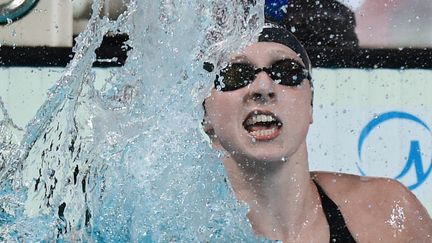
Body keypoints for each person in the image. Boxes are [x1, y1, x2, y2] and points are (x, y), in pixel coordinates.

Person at [202, 23, 432, 242]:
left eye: (286, 72)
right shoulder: (181, 227)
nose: (263, 87)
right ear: (205, 117)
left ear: (310, 105)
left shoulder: (386, 213)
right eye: (234, 75)